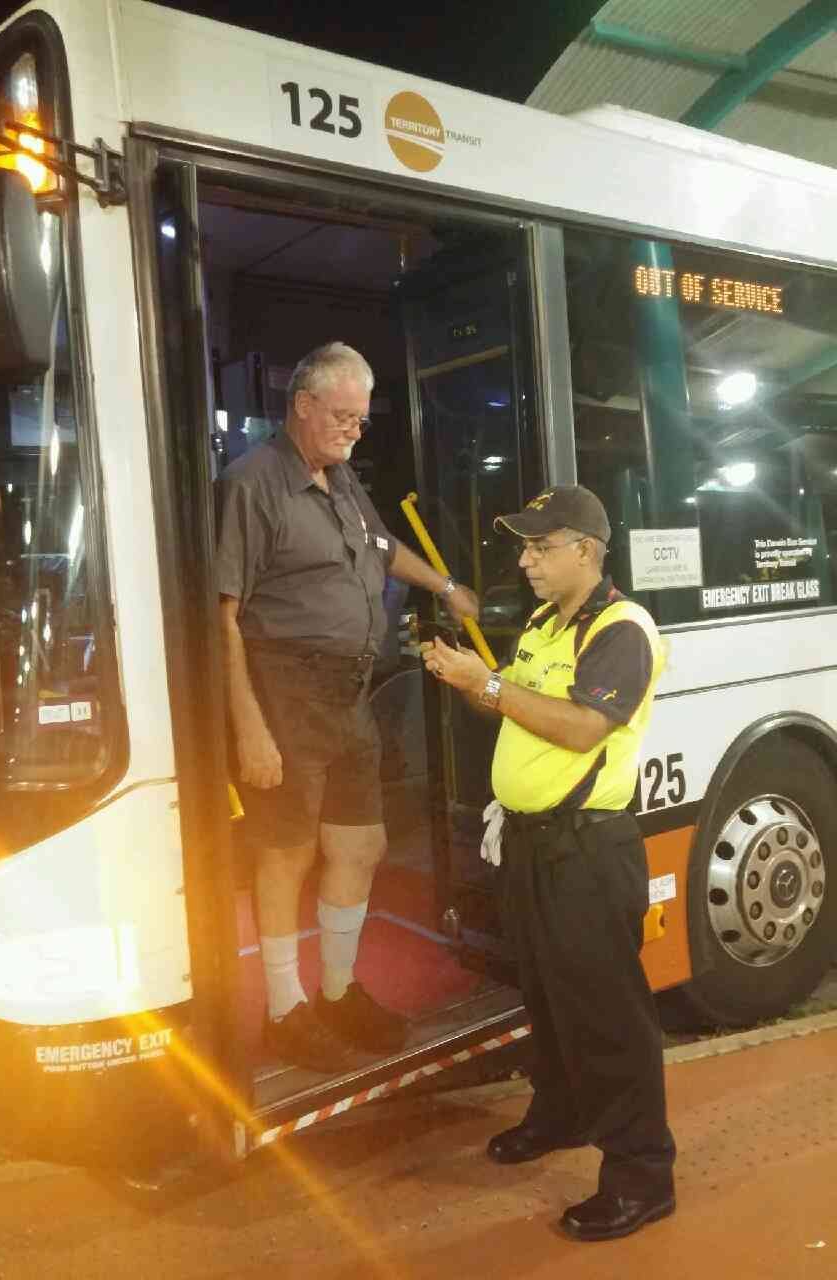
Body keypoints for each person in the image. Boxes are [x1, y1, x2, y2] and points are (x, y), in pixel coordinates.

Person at [420, 484, 676, 1243]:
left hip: (587, 850)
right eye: (524, 546)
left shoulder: (623, 629)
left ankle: (642, 1175)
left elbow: (581, 727)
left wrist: (487, 685)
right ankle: (561, 1113)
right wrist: (470, 678)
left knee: (607, 1016)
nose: (526, 559)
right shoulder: (542, 622)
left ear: (587, 552)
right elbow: (520, 707)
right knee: (547, 997)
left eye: (541, 546)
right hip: (533, 843)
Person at [217, 341, 477, 1074]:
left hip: (349, 693)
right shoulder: (251, 485)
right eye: (342, 416)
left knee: (359, 846)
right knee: (284, 853)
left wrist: (444, 586)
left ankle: (336, 992)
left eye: (361, 421)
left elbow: (383, 547)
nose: (353, 430)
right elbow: (222, 616)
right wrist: (249, 729)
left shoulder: (340, 480)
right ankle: (282, 1010)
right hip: (286, 693)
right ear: (302, 405)